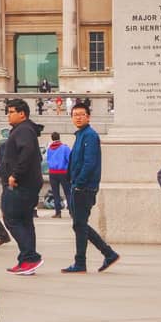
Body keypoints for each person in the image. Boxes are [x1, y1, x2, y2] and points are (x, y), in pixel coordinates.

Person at [63, 100, 118, 274]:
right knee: (79, 224)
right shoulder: (80, 135)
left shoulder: (90, 135)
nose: (78, 118)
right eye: (75, 115)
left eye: (81, 115)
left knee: (79, 225)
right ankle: (108, 253)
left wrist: (79, 183)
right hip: (77, 186)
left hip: (84, 187)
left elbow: (89, 162)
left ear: (88, 117)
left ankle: (82, 262)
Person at [0, 98, 43, 275]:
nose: (8, 115)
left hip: (20, 184)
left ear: (22, 113)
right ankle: (26, 261)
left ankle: (30, 256)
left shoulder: (23, 130)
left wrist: (15, 174)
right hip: (27, 184)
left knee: (11, 219)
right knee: (25, 221)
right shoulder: (25, 129)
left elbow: (27, 153)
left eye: (11, 111)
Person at [44, 131, 70, 217]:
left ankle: (58, 212)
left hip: (52, 173)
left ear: (52, 138)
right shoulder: (64, 148)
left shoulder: (49, 149)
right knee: (67, 192)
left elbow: (47, 159)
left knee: (55, 193)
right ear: (59, 137)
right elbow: (69, 159)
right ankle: (71, 211)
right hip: (63, 172)